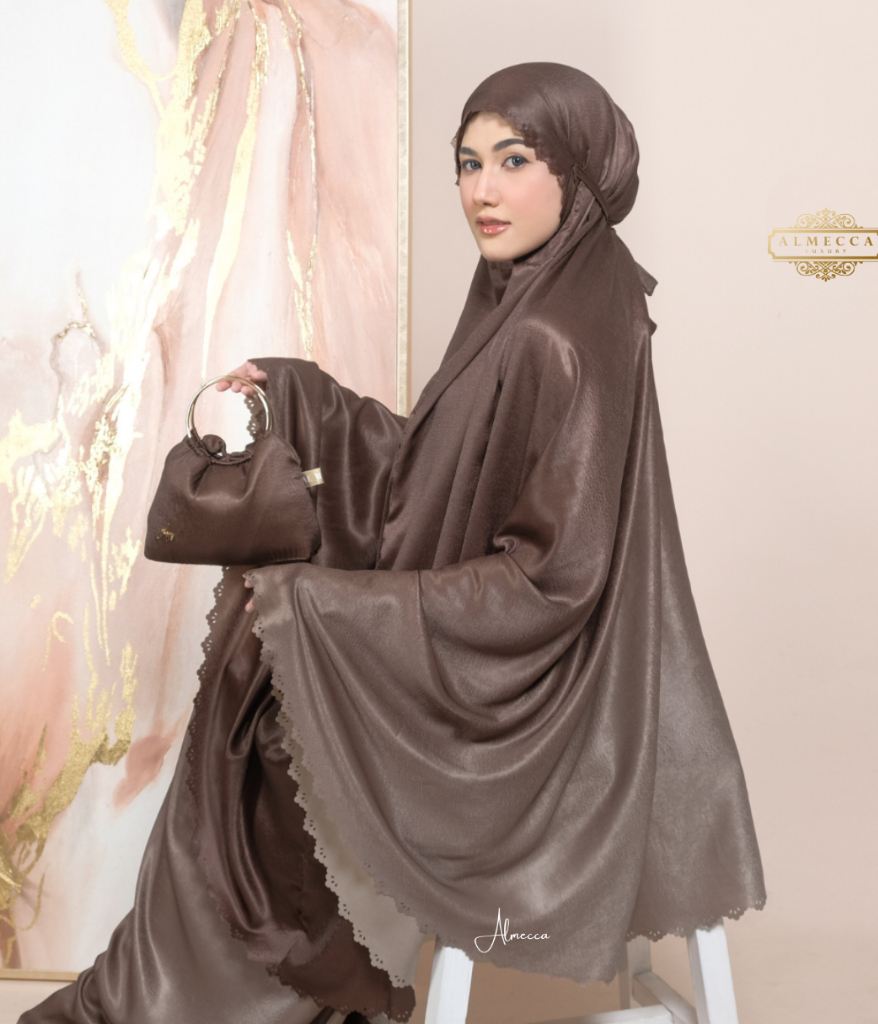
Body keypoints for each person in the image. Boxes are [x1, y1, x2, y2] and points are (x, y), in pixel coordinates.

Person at [20, 62, 765, 1024]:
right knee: (265, 645)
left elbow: (551, 581)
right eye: (467, 164)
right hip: (526, 657)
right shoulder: (548, 293)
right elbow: (433, 470)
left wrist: (324, 603)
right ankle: (220, 985)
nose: (482, 190)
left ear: (576, 171)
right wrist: (303, 396)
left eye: (514, 160)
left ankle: (210, 994)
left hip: (541, 696)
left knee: (267, 651)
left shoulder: (554, 336)